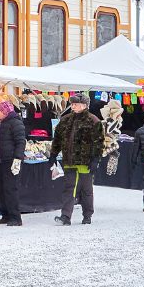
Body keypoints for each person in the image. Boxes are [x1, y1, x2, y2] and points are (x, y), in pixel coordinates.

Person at [50, 93, 104, 226]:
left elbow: (99, 142)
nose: (72, 106)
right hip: (69, 160)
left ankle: (87, 215)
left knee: (86, 190)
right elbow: (57, 139)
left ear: (84, 105)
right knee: (69, 188)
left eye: (75, 104)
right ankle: (66, 216)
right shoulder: (65, 119)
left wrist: (96, 159)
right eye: (72, 104)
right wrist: (53, 154)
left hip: (85, 162)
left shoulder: (93, 120)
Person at [0, 100, 27, 227]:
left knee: (10, 189)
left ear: (4, 111)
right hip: (0, 161)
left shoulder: (16, 123)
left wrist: (17, 158)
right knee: (1, 189)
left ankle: (15, 217)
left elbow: (21, 142)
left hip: (10, 161)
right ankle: (5, 214)